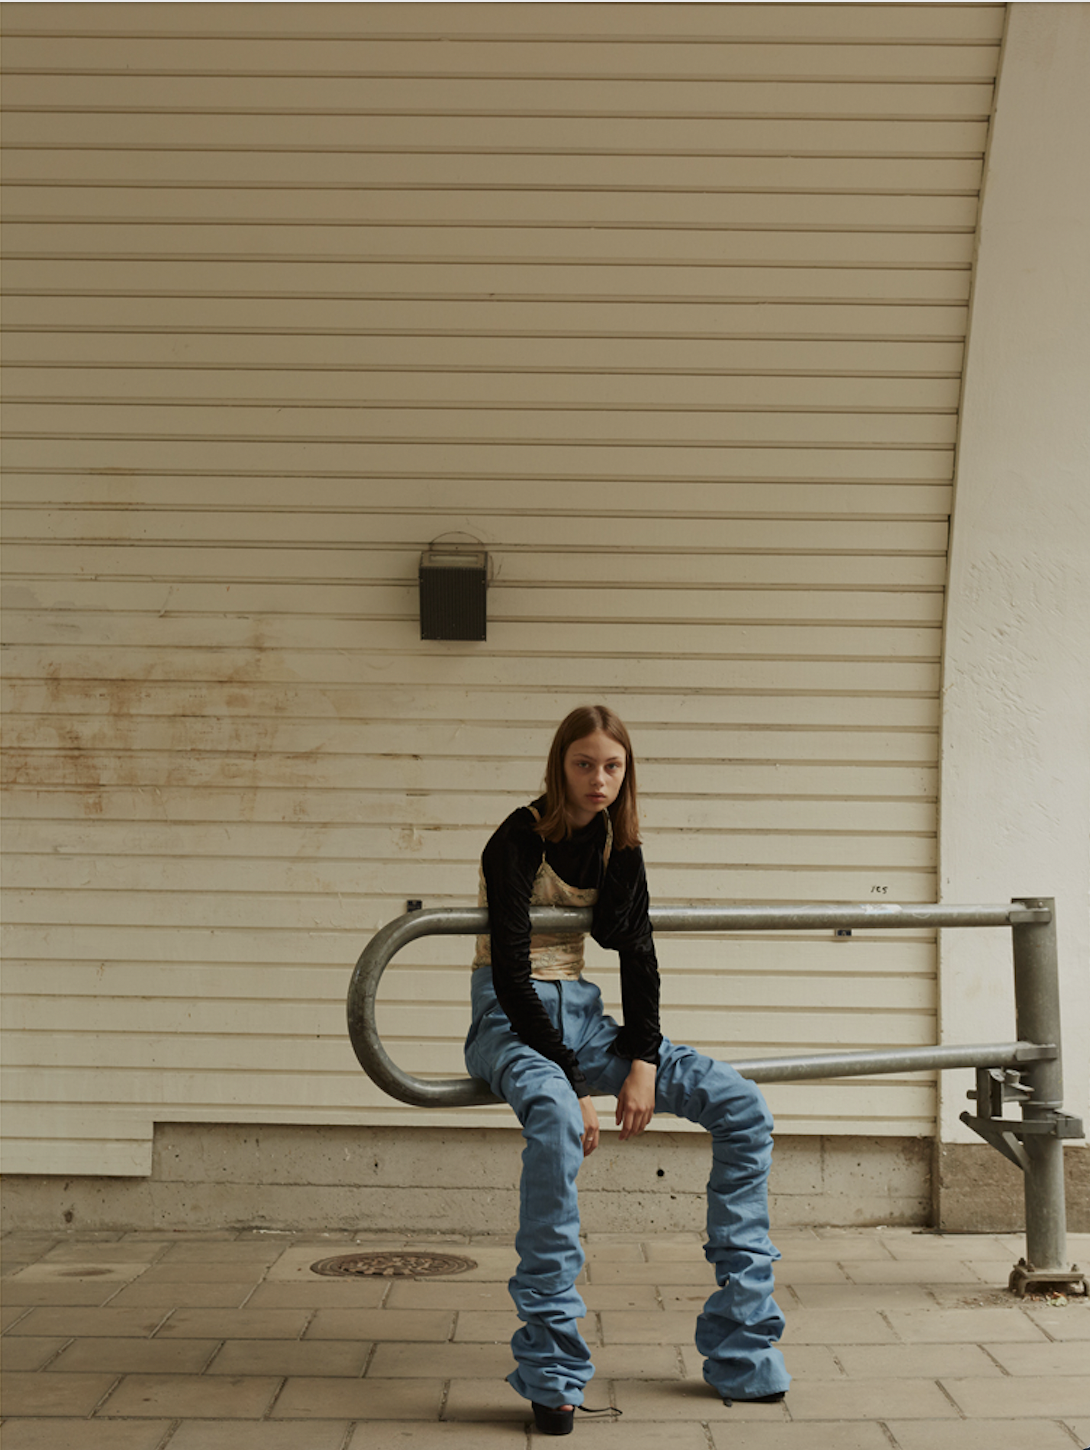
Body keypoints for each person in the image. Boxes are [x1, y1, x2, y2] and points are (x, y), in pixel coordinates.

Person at [464, 705, 791, 1435]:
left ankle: (744, 1351)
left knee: (740, 1104)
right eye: (585, 764)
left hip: (585, 1018)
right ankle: (552, 1374)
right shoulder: (516, 837)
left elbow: (637, 955)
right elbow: (515, 977)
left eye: (613, 766)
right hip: (512, 1024)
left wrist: (643, 1061)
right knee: (553, 1120)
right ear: (560, 766)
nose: (599, 780)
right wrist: (575, 1085)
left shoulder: (620, 844)